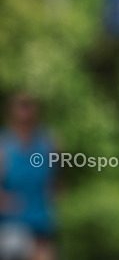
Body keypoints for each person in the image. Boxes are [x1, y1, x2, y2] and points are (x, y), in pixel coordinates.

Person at [0, 93, 57, 260]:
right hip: (12, 227)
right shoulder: (4, 146)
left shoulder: (48, 143)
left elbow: (54, 183)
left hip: (42, 224)